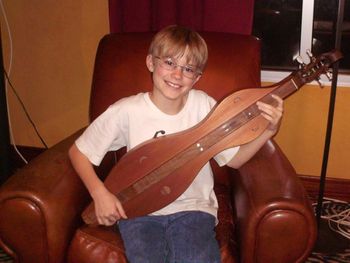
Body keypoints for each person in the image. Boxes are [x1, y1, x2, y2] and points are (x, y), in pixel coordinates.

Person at [68, 25, 283, 263]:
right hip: (139, 211)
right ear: (151, 62)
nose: (177, 75)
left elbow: (235, 160)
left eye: (188, 69)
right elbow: (79, 152)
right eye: (169, 63)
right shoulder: (127, 110)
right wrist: (100, 194)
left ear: (197, 78)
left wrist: (269, 130)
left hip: (193, 209)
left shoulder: (204, 107)